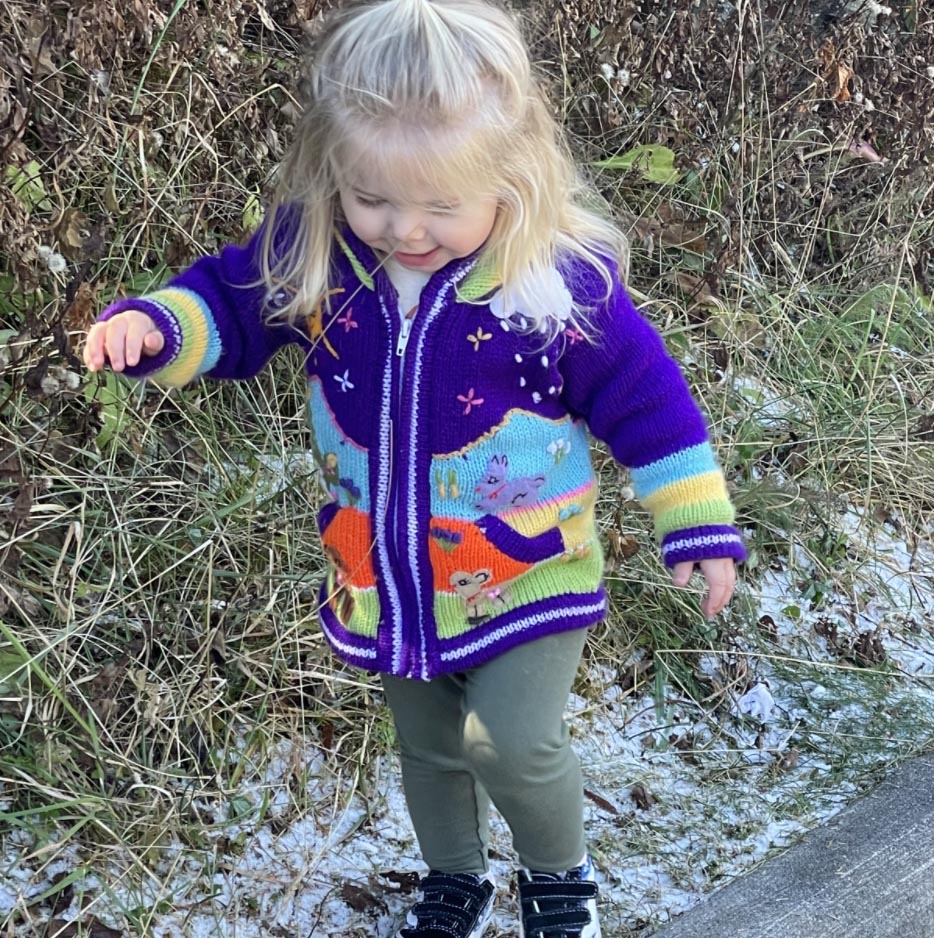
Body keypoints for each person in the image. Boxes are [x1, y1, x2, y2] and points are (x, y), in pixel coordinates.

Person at [83, 1, 744, 935]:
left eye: (442, 205)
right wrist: (157, 326)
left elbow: (651, 405)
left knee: (509, 742)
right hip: (382, 574)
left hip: (526, 573)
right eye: (376, 198)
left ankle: (560, 882)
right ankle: (456, 881)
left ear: (511, 178)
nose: (405, 229)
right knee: (430, 750)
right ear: (334, 170)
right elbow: (224, 309)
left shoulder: (552, 284)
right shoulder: (315, 251)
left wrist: (696, 521)